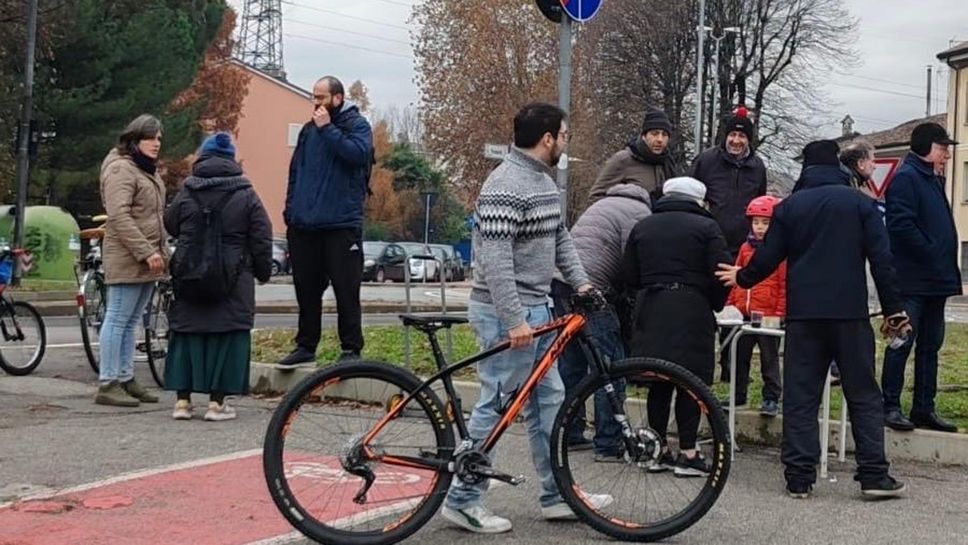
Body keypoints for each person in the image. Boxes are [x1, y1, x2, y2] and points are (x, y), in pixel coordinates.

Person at [440, 102, 611, 534]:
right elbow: (494, 260)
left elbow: (560, 240)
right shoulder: (505, 184)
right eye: (565, 135)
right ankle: (462, 499)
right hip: (506, 312)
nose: (566, 143)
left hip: (537, 307)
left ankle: (558, 495)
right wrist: (515, 319)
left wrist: (582, 284)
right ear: (547, 138)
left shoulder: (542, 183)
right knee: (496, 406)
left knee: (549, 401)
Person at [716, 140, 908, 499]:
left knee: (801, 396)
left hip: (804, 316)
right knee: (863, 394)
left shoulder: (790, 208)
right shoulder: (862, 205)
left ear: (806, 168)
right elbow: (883, 261)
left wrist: (742, 277)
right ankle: (873, 475)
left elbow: (769, 256)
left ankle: (799, 477)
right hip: (850, 314)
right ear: (837, 165)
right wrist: (894, 309)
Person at [622, 177, 732, 477]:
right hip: (692, 308)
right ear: (699, 200)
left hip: (652, 307)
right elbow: (722, 272)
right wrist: (715, 303)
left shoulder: (643, 225)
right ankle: (688, 452)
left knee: (659, 379)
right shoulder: (707, 228)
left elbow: (629, 273)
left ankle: (657, 449)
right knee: (690, 383)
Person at [163, 133, 273, 421]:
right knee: (228, 333)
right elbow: (262, 236)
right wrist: (262, 272)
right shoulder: (246, 194)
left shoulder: (188, 190)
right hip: (233, 275)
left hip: (189, 272)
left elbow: (171, 223)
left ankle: (183, 402)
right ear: (231, 159)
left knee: (186, 332)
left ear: (203, 156)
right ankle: (217, 403)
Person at [552, 183, 652, 459]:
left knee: (571, 362)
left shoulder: (601, 205)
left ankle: (570, 433)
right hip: (593, 289)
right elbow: (632, 261)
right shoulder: (639, 212)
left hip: (561, 282)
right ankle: (609, 442)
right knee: (609, 363)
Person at [279, 75, 373, 366]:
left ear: (338, 98)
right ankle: (305, 346)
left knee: (346, 290)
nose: (316, 103)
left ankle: (351, 350)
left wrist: (328, 129)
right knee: (306, 291)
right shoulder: (308, 132)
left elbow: (357, 155)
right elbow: (296, 172)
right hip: (305, 225)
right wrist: (290, 212)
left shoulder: (357, 126)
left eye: (321, 98)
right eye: (314, 97)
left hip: (341, 225)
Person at [881, 122, 961, 433]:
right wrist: (931, 252)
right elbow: (900, 226)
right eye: (943, 149)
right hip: (913, 280)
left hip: (935, 281)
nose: (947, 156)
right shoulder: (907, 178)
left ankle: (924, 408)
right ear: (927, 148)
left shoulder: (931, 179)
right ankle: (890, 405)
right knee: (903, 340)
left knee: (931, 345)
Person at [94, 114, 168, 407]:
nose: (156, 143)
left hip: (148, 258)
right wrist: (146, 251)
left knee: (131, 321)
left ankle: (125, 378)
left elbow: (154, 216)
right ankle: (108, 381)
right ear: (134, 139)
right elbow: (119, 216)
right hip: (129, 256)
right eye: (151, 138)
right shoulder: (121, 170)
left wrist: (160, 252)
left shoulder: (145, 169)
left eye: (159, 138)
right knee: (117, 319)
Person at [723, 195, 786, 417]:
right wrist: (731, 304)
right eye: (756, 222)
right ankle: (738, 393)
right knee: (740, 356)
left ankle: (771, 397)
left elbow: (783, 284)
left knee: (769, 358)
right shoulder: (745, 248)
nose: (759, 227)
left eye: (765, 223)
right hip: (744, 312)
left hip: (768, 313)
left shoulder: (780, 251)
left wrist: (779, 312)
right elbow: (735, 276)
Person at [690, 107, 768, 259]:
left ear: (748, 140)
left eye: (742, 136)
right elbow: (689, 196)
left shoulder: (757, 167)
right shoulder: (706, 160)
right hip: (708, 242)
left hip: (743, 247)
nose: (736, 140)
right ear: (726, 136)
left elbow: (760, 203)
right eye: (732, 134)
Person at [587, 108, 679, 205]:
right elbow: (595, 197)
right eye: (654, 133)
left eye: (664, 135)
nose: (660, 139)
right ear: (644, 135)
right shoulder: (623, 160)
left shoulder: (668, 164)